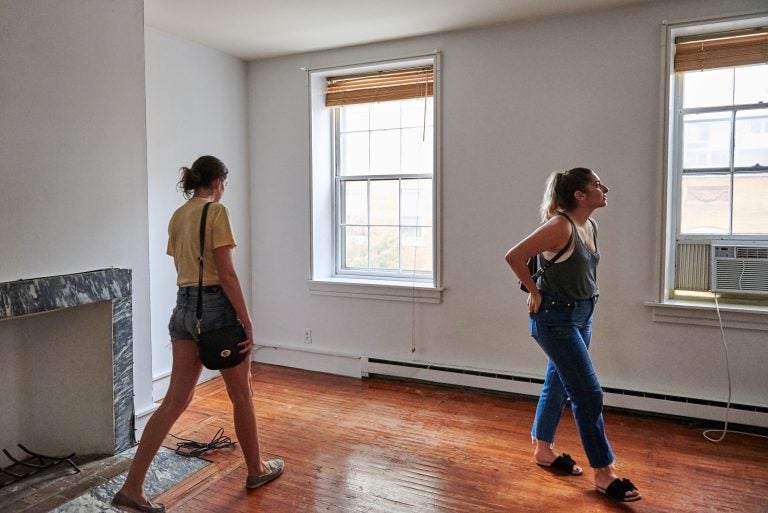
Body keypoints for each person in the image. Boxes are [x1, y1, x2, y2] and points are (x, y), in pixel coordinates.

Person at [112, 156, 283, 513]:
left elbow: (182, 265)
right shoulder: (217, 213)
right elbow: (227, 274)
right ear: (218, 181)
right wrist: (247, 322)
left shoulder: (178, 216)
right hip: (216, 310)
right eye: (224, 184)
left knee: (175, 400)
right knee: (242, 394)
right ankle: (256, 470)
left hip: (183, 311)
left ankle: (132, 487)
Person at [504, 167, 640, 503]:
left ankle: (543, 450)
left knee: (559, 382)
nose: (604, 187)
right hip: (555, 318)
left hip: (581, 315)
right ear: (580, 195)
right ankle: (604, 473)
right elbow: (514, 256)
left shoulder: (589, 224)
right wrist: (535, 292)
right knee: (589, 393)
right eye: (596, 184)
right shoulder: (559, 226)